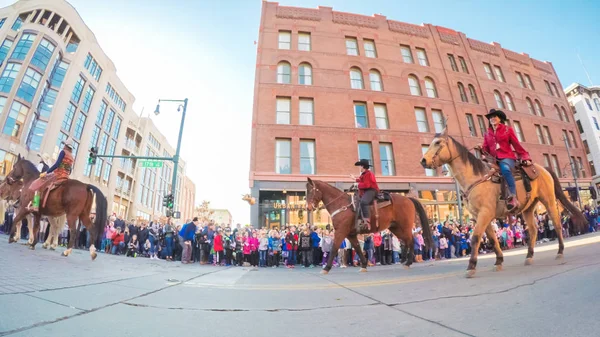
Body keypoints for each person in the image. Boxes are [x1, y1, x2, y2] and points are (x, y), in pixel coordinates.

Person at [481, 109, 531, 211]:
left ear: (500, 119)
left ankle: (513, 197)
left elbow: (516, 144)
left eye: (494, 117)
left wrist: (525, 157)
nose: (492, 119)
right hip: (493, 160)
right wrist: (481, 151)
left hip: (507, 157)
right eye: (490, 117)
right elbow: (485, 148)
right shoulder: (487, 133)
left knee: (505, 169)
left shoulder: (508, 130)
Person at [30, 139, 75, 212]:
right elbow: (70, 170)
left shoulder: (63, 152)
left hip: (58, 175)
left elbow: (57, 164)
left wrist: (46, 172)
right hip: (66, 176)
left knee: (39, 184)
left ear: (65, 145)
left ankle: (35, 205)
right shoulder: (72, 157)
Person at [351, 159, 380, 230]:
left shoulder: (368, 173)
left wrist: (357, 185)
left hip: (371, 190)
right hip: (367, 191)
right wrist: (355, 179)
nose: (359, 168)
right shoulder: (365, 174)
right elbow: (361, 180)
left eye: (360, 166)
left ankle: (367, 221)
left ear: (363, 166)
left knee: (364, 202)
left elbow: (367, 185)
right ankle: (360, 219)